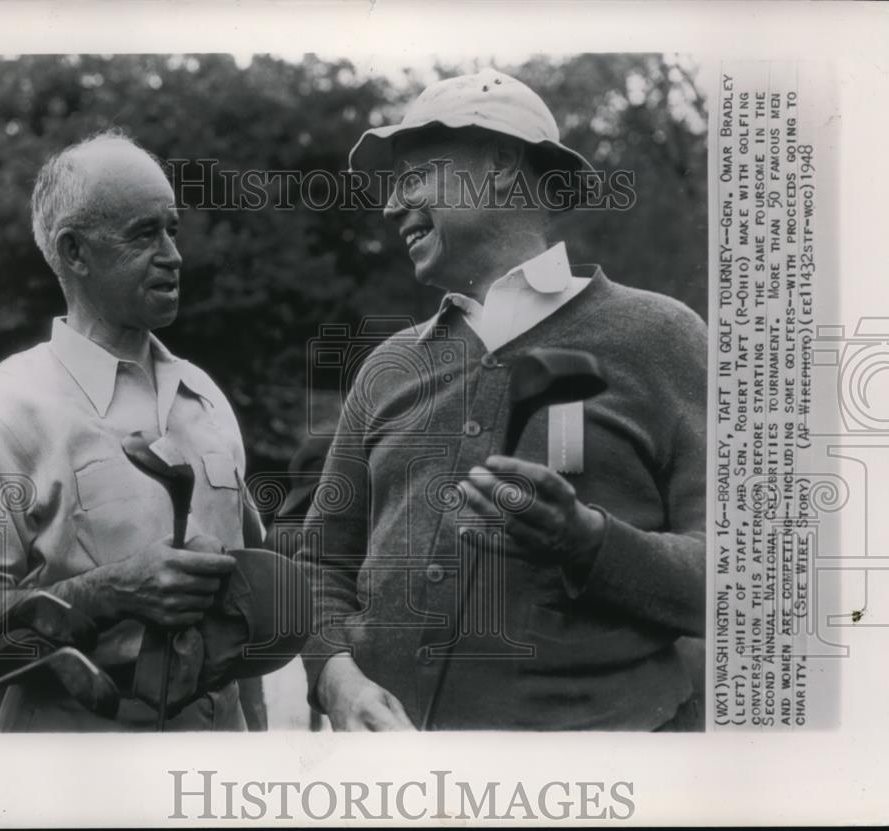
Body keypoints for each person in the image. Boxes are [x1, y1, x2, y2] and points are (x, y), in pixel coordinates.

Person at [297, 70, 707, 731]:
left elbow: (745, 578)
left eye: (413, 177)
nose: (390, 204)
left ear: (500, 165)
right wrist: (335, 678)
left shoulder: (662, 336)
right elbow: (318, 561)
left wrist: (590, 542)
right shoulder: (386, 365)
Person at [0, 131, 295, 731]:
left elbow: (242, 613)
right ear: (74, 251)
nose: (173, 255)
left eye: (172, 230)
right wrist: (109, 593)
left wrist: (254, 748)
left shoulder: (204, 397)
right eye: (143, 234)